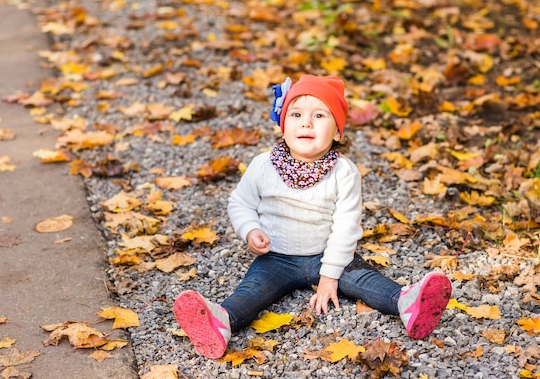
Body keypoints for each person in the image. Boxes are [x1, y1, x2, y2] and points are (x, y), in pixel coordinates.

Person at [173, 74, 452, 359]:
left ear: (337, 132)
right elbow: (240, 202)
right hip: (276, 258)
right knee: (253, 290)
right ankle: (221, 322)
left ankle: (407, 302)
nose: (306, 123)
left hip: (327, 254)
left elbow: (346, 226)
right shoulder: (263, 165)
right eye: (296, 114)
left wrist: (330, 276)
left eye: (319, 115)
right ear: (283, 126)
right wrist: (250, 229)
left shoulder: (343, 172)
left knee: (365, 281)